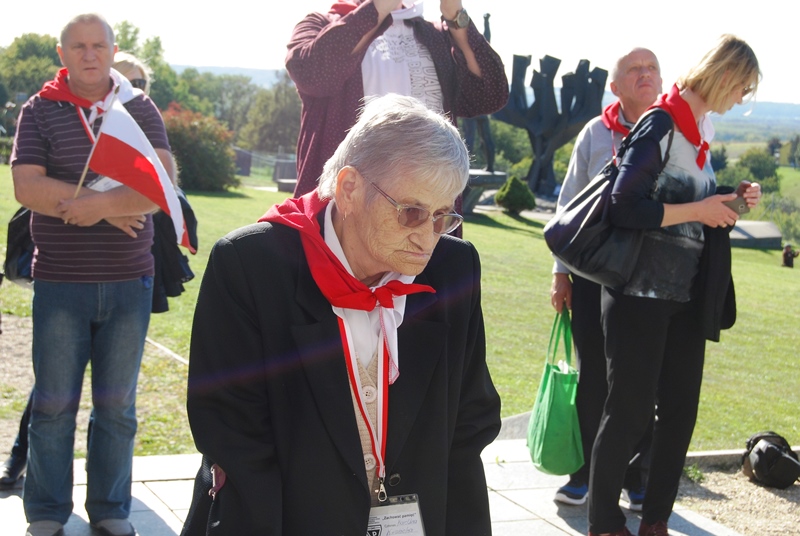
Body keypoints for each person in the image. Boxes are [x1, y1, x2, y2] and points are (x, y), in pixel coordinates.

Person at [182, 93, 501, 534]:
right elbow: (233, 433)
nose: (427, 237)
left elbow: (470, 422)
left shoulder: (454, 268)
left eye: (443, 215)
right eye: (411, 212)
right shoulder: (251, 264)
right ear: (350, 189)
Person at [587, 35, 762, 536]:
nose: (741, 99)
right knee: (629, 413)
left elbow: (691, 207)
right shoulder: (660, 123)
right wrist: (699, 209)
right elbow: (624, 206)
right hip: (637, 295)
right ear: (725, 76)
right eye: (743, 88)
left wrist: (730, 200)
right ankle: (603, 522)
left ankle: (656, 521)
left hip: (685, 298)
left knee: (681, 413)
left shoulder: (699, 131)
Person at [0, 50, 194, 494]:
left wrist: (111, 206)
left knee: (116, 401)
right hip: (63, 273)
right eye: (123, 80)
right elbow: (35, 187)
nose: (128, 89)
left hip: (129, 272)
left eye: (138, 84)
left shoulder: (138, 118)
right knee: (53, 393)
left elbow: (160, 187)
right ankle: (24, 468)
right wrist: (108, 209)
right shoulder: (53, 113)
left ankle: (107, 504)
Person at [550, 47, 662, 510]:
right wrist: (560, 274)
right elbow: (568, 205)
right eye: (635, 69)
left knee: (642, 380)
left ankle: (638, 477)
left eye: (652, 68)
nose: (645, 74)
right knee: (594, 376)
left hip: (651, 278)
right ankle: (584, 476)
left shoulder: (676, 132)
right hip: (593, 275)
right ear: (614, 87)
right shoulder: (596, 133)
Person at [285, 0, 509, 203]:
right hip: (346, 203)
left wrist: (454, 13)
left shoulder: (435, 35)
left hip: (426, 207)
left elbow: (490, 94)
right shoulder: (320, 24)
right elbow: (311, 75)